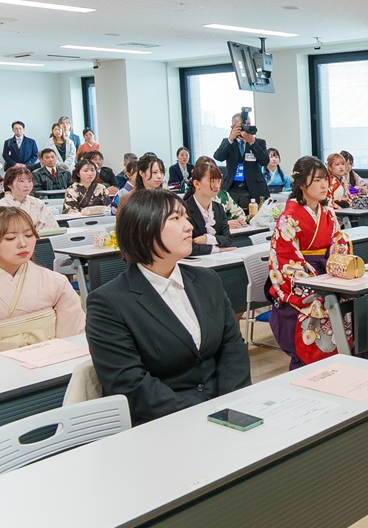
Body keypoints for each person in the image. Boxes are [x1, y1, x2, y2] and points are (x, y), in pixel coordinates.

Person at [85, 188, 252, 425]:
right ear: (144, 230)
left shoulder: (207, 280)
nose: (189, 226)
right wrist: (203, 415)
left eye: (186, 216)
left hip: (226, 410)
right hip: (163, 424)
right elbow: (131, 384)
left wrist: (230, 405)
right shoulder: (109, 303)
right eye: (175, 218)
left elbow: (232, 348)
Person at [267, 156, 351, 370]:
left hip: (327, 274)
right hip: (302, 281)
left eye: (325, 179)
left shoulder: (328, 213)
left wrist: (335, 271)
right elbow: (286, 260)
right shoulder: (288, 218)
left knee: (353, 307)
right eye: (317, 180)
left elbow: (338, 244)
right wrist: (317, 284)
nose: (324, 185)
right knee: (319, 308)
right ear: (302, 183)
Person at [0, 207, 84, 342]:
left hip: (54, 359)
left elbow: (73, 336)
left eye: (28, 235)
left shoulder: (56, 282)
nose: (23, 244)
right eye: (10, 238)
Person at [214, 112, 269, 212]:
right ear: (233, 127)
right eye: (242, 126)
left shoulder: (259, 142)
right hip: (232, 187)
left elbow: (265, 161)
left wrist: (252, 142)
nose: (246, 128)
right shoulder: (228, 142)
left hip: (253, 188)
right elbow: (218, 157)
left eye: (248, 124)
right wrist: (230, 138)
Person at [183, 160, 235, 256]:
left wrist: (207, 239)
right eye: (212, 181)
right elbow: (185, 246)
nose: (216, 186)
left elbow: (228, 239)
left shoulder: (218, 208)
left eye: (218, 181)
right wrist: (217, 249)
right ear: (196, 184)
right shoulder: (184, 209)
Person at [0, 166, 57, 231]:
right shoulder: (2, 205)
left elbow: (51, 225)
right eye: (21, 181)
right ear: (9, 185)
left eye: (29, 181)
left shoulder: (38, 203)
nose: (27, 185)